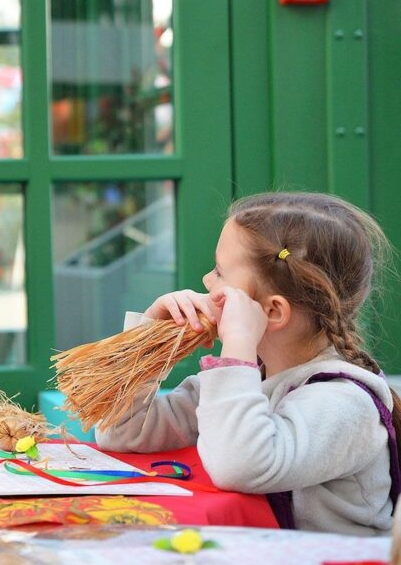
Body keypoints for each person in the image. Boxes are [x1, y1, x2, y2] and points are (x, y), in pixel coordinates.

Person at [95, 192, 400, 535]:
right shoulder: (254, 376)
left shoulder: (344, 403)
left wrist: (237, 345)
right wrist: (149, 342)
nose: (207, 281)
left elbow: (237, 466)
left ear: (272, 311)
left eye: (220, 272)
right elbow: (123, 432)